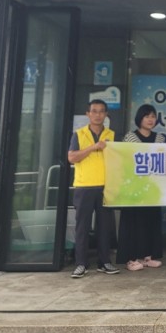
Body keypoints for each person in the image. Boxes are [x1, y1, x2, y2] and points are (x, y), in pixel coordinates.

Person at [67, 99, 119, 278]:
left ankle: (104, 262)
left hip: (105, 186)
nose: (98, 115)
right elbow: (72, 157)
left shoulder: (112, 135)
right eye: (94, 111)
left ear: (106, 114)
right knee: (82, 226)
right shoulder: (79, 134)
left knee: (105, 227)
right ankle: (81, 263)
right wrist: (94, 147)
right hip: (84, 185)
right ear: (88, 114)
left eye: (101, 111)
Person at [116, 104, 166, 272]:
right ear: (140, 118)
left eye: (153, 116)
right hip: (134, 187)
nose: (150, 120)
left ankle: (147, 256)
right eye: (147, 116)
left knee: (150, 221)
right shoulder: (130, 137)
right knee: (133, 222)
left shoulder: (160, 138)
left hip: (152, 188)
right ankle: (130, 259)